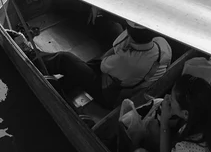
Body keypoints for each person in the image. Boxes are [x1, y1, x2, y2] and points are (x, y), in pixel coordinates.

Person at [42, 20, 172, 108]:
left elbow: (103, 64)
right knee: (114, 27)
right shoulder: (161, 42)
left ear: (130, 35)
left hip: (109, 94)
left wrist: (119, 50)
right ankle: (72, 78)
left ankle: (32, 58)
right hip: (129, 78)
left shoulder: (127, 61)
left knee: (64, 59)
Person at [131, 74, 211, 152]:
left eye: (172, 99)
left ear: (186, 114)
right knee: (153, 127)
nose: (167, 98)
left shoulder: (189, 149)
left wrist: (164, 122)